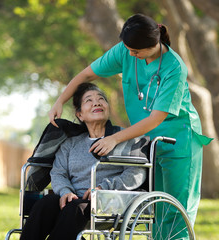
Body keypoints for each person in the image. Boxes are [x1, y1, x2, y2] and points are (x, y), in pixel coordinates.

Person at [48, 14, 213, 238]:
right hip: (145, 140)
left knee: (176, 209)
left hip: (179, 140)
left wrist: (115, 138)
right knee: (155, 209)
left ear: (153, 44)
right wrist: (60, 100)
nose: (131, 55)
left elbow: (156, 118)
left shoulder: (174, 67)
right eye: (128, 49)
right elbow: (87, 74)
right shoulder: (126, 50)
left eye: (136, 51)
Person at [20, 83, 146, 240]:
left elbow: (137, 172)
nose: (97, 102)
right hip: (73, 198)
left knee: (75, 208)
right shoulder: (71, 144)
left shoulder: (124, 137)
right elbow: (58, 172)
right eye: (89, 100)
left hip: (108, 201)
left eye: (101, 99)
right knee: (45, 204)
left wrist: (102, 188)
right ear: (80, 115)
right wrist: (65, 191)